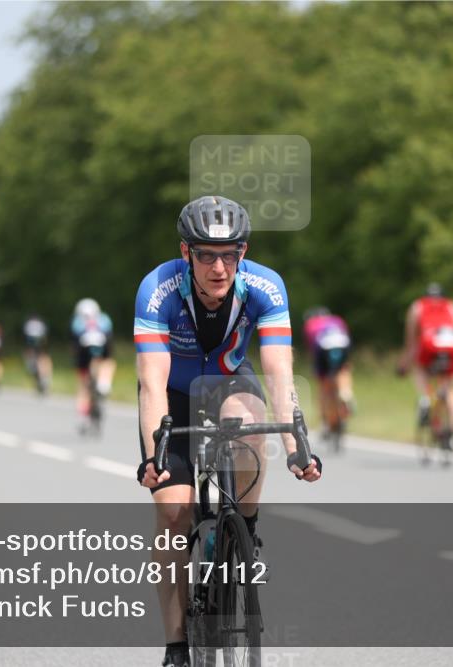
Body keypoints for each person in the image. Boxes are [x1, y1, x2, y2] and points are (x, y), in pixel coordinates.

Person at [134, 195, 322, 667]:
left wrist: (297, 447)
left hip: (229, 382)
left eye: (230, 254)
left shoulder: (265, 286)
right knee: (174, 516)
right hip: (173, 397)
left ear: (244, 251)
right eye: (205, 255)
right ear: (185, 252)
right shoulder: (157, 289)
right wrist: (155, 455)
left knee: (249, 422)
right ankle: (176, 645)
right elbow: (151, 382)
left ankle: (244, 525)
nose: (219, 267)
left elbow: (280, 373)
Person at [397, 283, 453, 449]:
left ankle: (425, 398)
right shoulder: (452, 306)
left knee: (421, 371)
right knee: (451, 389)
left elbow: (412, 341)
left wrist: (404, 364)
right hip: (451, 344)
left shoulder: (417, 307)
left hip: (429, 342)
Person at [302, 306, 355, 439]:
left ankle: (325, 421)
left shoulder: (310, 324)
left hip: (323, 346)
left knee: (323, 385)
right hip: (343, 343)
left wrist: (316, 369)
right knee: (343, 370)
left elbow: (312, 349)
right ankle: (346, 393)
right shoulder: (337, 319)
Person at [71, 298, 115, 428]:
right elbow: (109, 339)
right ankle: (104, 383)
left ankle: (82, 416)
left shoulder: (76, 321)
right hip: (101, 343)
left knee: (83, 384)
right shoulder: (104, 318)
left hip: (82, 347)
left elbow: (73, 344)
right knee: (108, 362)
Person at [23, 314, 52, 394]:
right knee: (43, 358)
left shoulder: (29, 323)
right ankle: (44, 377)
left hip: (31, 343)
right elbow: (45, 335)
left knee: (32, 359)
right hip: (40, 342)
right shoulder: (40, 323)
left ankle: (37, 376)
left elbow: (25, 337)